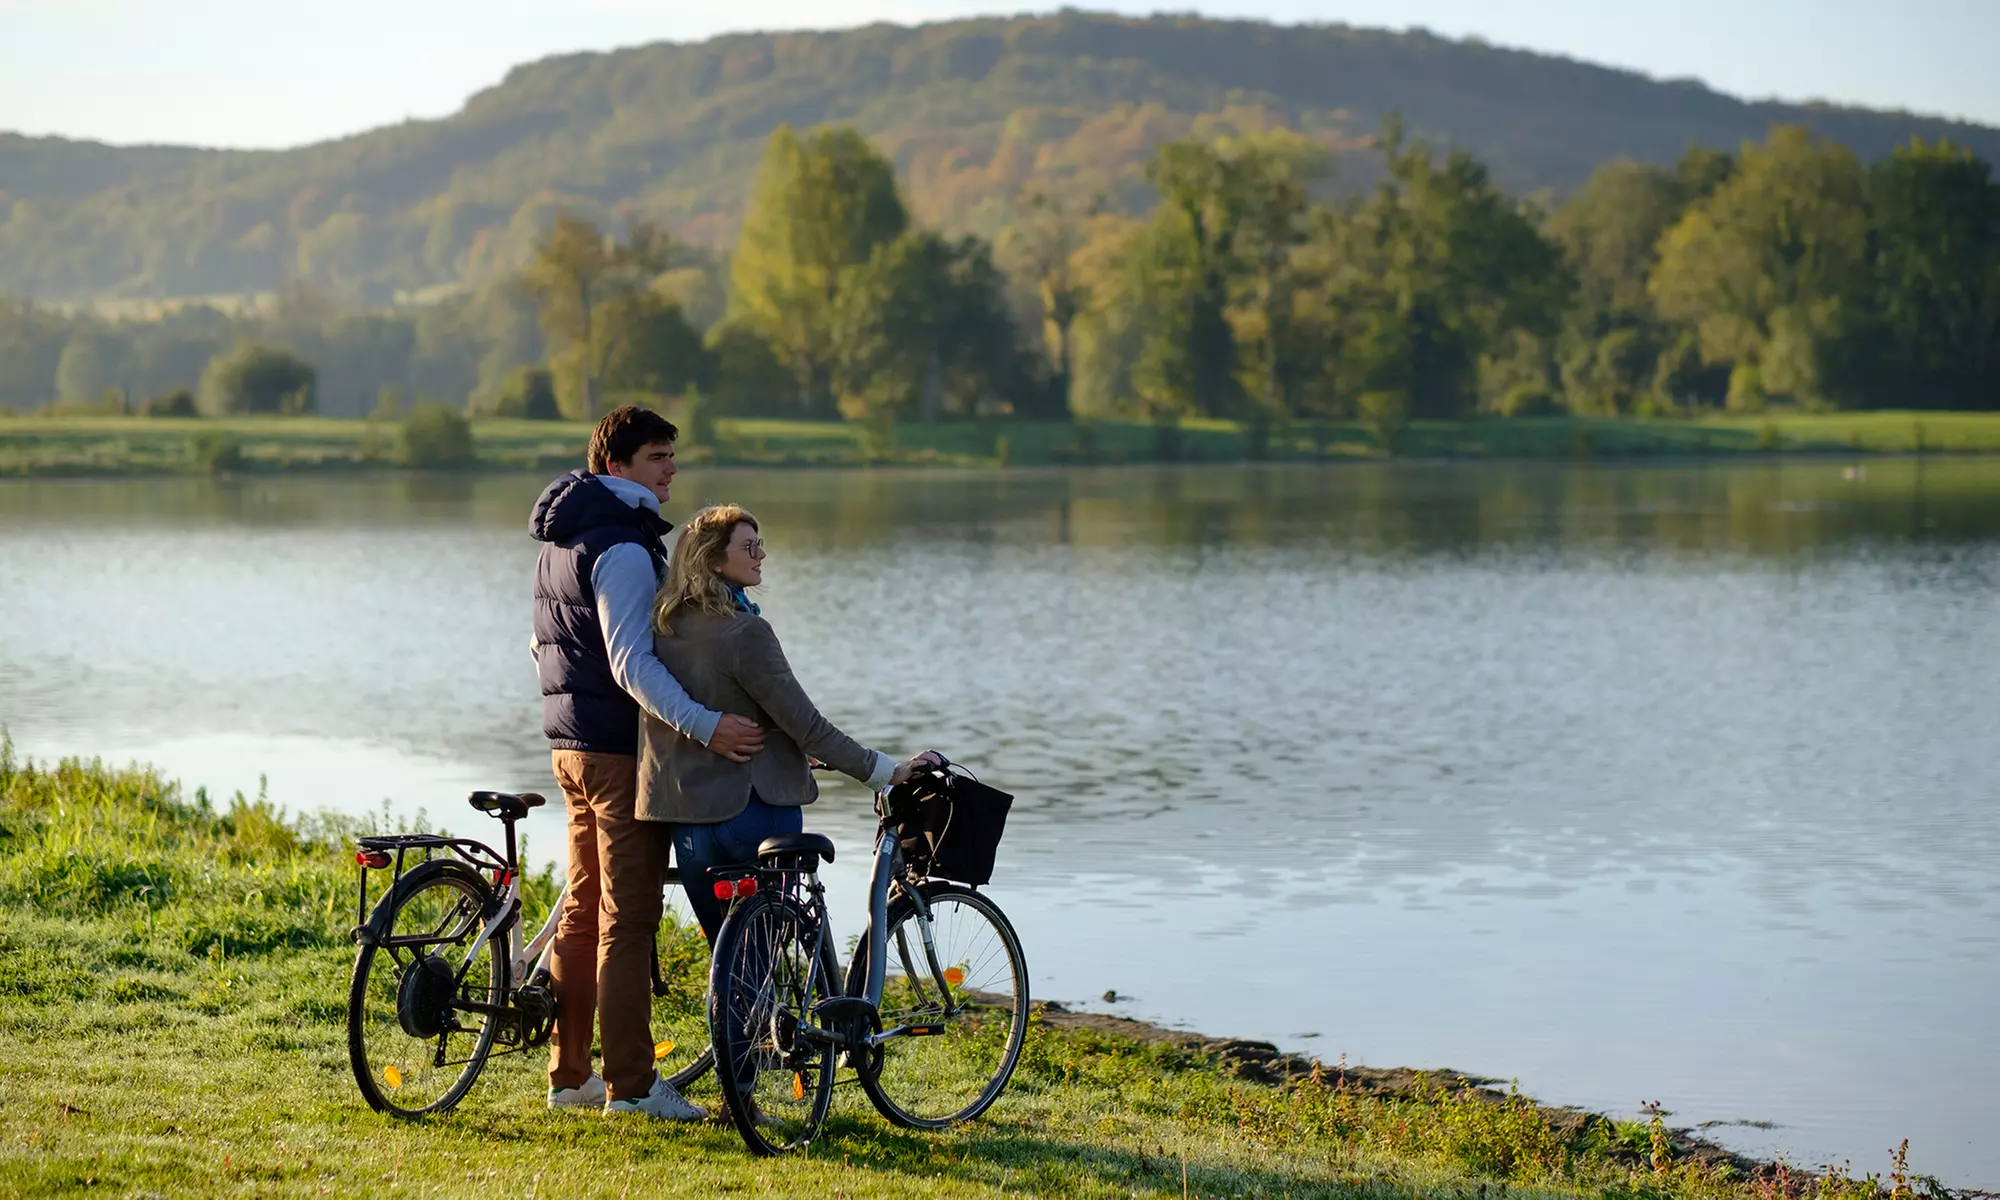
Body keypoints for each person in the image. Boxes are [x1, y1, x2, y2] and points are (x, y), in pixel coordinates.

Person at [528, 406, 766, 1121]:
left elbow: (540, 645)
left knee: (580, 908)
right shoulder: (625, 547)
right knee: (627, 920)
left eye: (671, 456)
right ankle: (631, 1085)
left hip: (568, 746)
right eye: (658, 457)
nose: (671, 470)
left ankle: (571, 1077)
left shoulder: (561, 541)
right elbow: (632, 662)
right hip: (613, 753)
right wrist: (704, 725)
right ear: (617, 465)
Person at [636, 504, 937, 940]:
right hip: (753, 812)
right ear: (714, 559)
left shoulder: (662, 629)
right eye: (749, 546)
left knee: (730, 962)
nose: (761, 555)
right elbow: (808, 725)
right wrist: (885, 772)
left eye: (760, 544)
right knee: (764, 958)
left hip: (685, 818)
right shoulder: (745, 631)